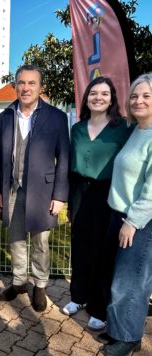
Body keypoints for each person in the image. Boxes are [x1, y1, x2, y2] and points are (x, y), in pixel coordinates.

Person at [0, 65, 70, 311]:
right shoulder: (4, 117)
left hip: (43, 192)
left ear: (40, 87)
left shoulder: (56, 117)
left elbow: (64, 159)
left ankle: (40, 285)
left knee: (40, 243)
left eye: (31, 83)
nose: (26, 88)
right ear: (15, 86)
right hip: (12, 190)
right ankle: (18, 283)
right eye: (21, 83)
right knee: (15, 239)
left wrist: (59, 195)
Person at [63, 77, 133, 330]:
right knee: (80, 245)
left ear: (112, 98)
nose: (98, 98)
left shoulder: (122, 128)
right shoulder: (78, 128)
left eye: (105, 93)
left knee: (103, 250)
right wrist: (70, 202)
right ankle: (78, 297)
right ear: (86, 98)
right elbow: (72, 168)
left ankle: (98, 306)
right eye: (94, 93)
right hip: (80, 190)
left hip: (108, 193)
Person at [99, 73, 152, 356]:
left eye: (146, 95)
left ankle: (129, 337)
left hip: (140, 222)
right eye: (134, 96)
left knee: (130, 281)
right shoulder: (138, 130)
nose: (138, 100)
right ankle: (120, 326)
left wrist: (132, 222)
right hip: (119, 213)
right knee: (117, 276)